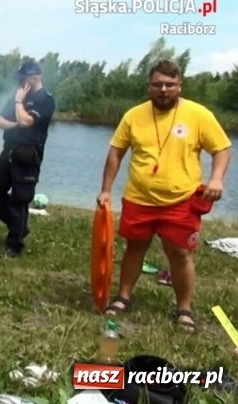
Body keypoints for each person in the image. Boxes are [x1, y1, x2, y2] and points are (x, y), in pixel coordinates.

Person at [98, 59, 231, 333]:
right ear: (149, 86)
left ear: (179, 86)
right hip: (139, 198)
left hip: (181, 201)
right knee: (135, 247)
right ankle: (123, 297)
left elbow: (222, 149)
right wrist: (106, 190)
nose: (164, 89)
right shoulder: (134, 115)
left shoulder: (198, 114)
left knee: (180, 253)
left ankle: (184, 309)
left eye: (170, 85)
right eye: (158, 84)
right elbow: (115, 153)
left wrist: (216, 178)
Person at [0, 59, 55, 258]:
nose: (19, 82)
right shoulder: (17, 95)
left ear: (34, 77)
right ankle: (20, 227)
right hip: (8, 150)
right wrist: (14, 124)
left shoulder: (45, 99)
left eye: (22, 77)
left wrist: (19, 103)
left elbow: (26, 121)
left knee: (20, 198)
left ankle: (14, 245)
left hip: (28, 154)